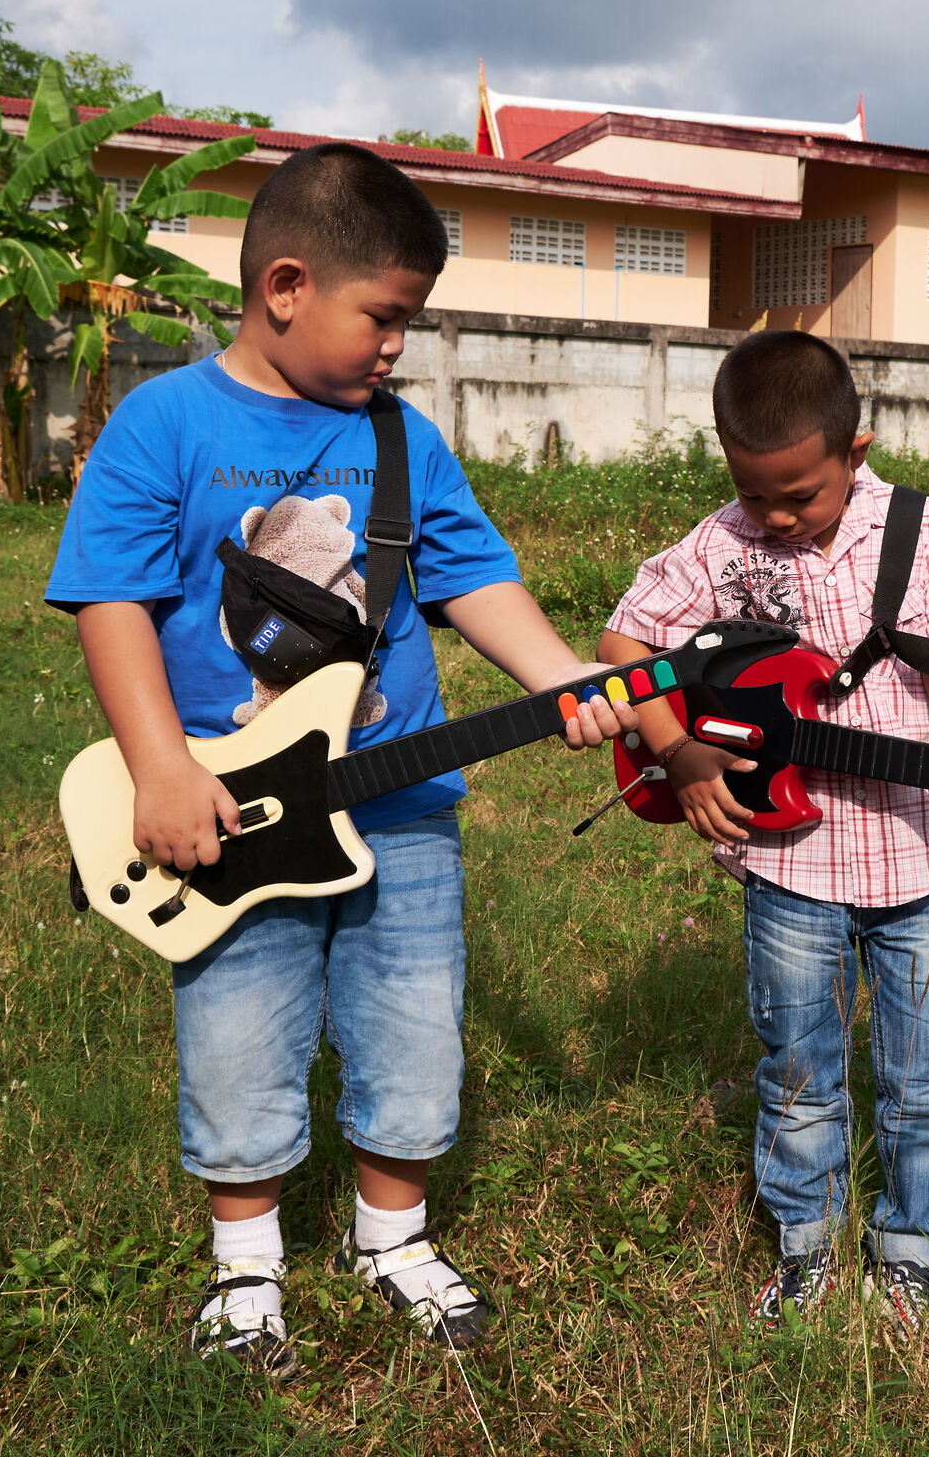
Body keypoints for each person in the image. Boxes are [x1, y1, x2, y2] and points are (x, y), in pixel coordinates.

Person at [47, 143, 633, 1375]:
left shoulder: (403, 441)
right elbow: (111, 601)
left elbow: (474, 576)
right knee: (241, 1025)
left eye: (406, 324)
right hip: (230, 814)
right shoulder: (164, 425)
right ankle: (247, 1267)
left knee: (415, 1017)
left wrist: (565, 680)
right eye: (384, 317)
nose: (394, 347)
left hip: (401, 798)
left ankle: (392, 1237)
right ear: (287, 286)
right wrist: (161, 768)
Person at [597, 331, 929, 1337]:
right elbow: (626, 642)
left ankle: (911, 1255)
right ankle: (807, 1248)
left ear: (856, 452)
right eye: (752, 492)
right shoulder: (723, 543)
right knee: (800, 1067)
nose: (775, 515)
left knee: (927, 1069)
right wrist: (678, 752)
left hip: (917, 861)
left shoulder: (917, 530)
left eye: (798, 494)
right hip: (789, 863)